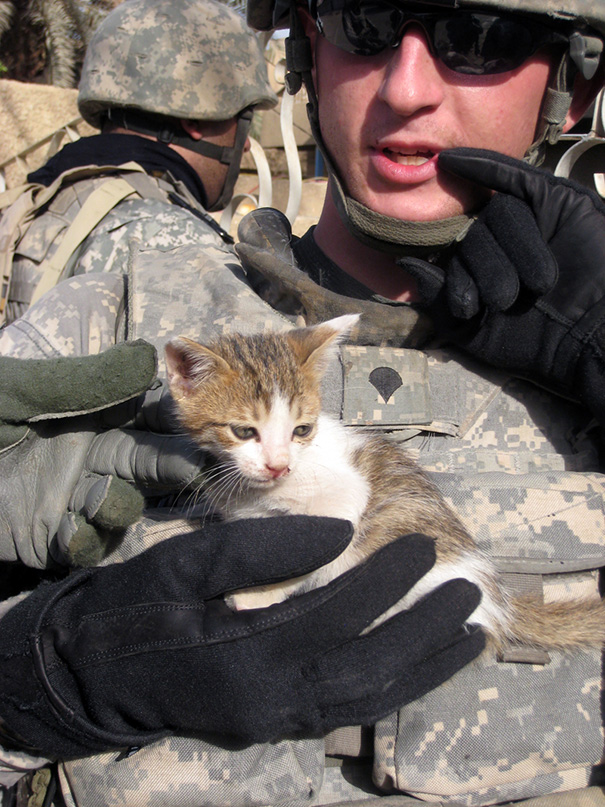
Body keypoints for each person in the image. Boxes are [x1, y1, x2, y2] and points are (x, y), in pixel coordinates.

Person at [0, 0, 485, 804]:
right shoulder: (135, 285)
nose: (409, 88)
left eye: (481, 40)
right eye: (364, 26)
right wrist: (35, 684)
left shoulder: (38, 207)